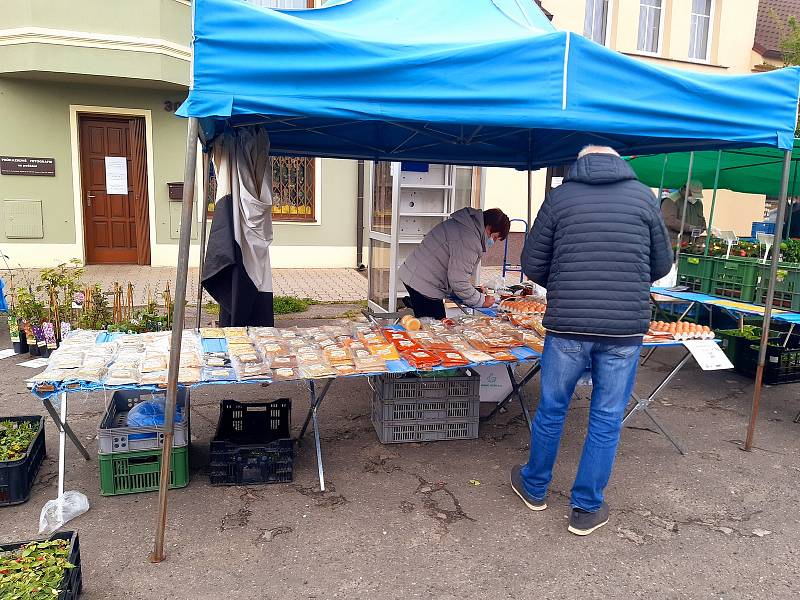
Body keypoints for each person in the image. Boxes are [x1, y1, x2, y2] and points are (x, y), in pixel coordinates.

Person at [511, 146, 673, 536]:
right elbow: (662, 265)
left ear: (578, 163)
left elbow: (532, 263)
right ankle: (586, 509)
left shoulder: (560, 198)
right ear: (619, 162)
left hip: (568, 326)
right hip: (623, 330)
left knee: (552, 409)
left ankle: (535, 488)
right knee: (606, 417)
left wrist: (567, 286)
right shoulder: (644, 198)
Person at [398, 207, 510, 319]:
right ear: (489, 227)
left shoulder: (466, 226)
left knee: (431, 325)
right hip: (424, 284)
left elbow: (456, 273)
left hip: (416, 275)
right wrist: (481, 300)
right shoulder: (469, 238)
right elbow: (458, 280)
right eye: (495, 238)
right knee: (436, 328)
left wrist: (472, 291)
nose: (492, 242)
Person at [661, 180, 706, 245]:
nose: (694, 197)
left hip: (691, 243)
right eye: (692, 194)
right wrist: (690, 228)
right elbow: (669, 221)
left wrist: (703, 226)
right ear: (685, 190)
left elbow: (701, 218)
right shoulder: (671, 200)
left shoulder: (698, 203)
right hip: (673, 242)